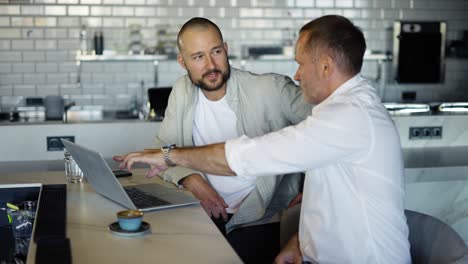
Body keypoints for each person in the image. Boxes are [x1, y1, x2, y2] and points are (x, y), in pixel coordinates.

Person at [115, 15, 411, 263]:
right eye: (198, 56)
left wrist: (170, 155)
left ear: (324, 66)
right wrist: (301, 242)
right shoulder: (339, 111)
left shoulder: (347, 116)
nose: (295, 75)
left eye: (301, 64)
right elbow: (333, 200)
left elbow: (246, 157)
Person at [149, 17, 312, 263]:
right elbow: (163, 152)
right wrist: (190, 178)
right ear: (183, 62)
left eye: (216, 52)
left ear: (226, 49)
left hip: (260, 217)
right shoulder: (182, 91)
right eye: (198, 57)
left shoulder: (270, 88)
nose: (211, 65)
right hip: (202, 213)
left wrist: (313, 187)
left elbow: (329, 128)